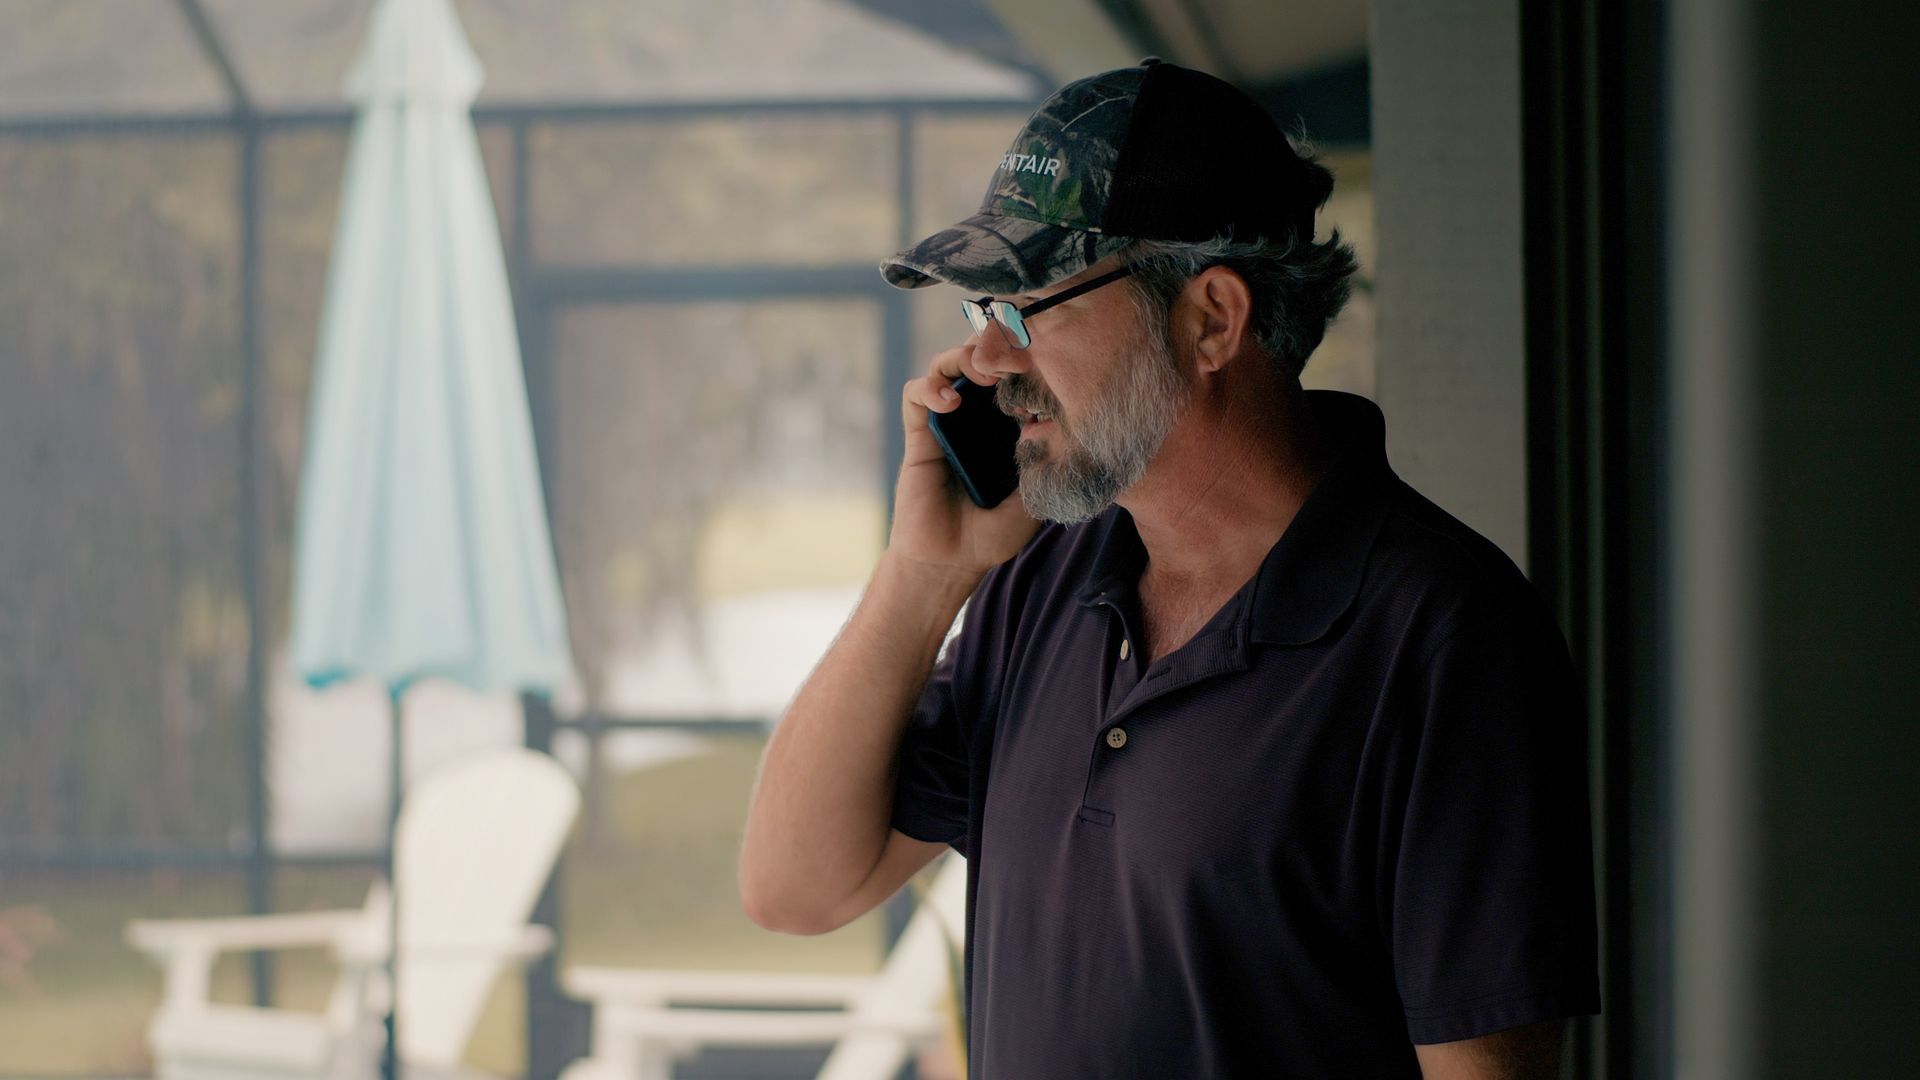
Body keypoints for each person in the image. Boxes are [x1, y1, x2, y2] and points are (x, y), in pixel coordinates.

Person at [740, 57, 1600, 1079]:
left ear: (1211, 319)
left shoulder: (1441, 636)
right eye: (983, 313)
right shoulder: (1039, 584)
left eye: (1031, 307)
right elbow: (795, 889)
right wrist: (925, 576)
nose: (986, 362)